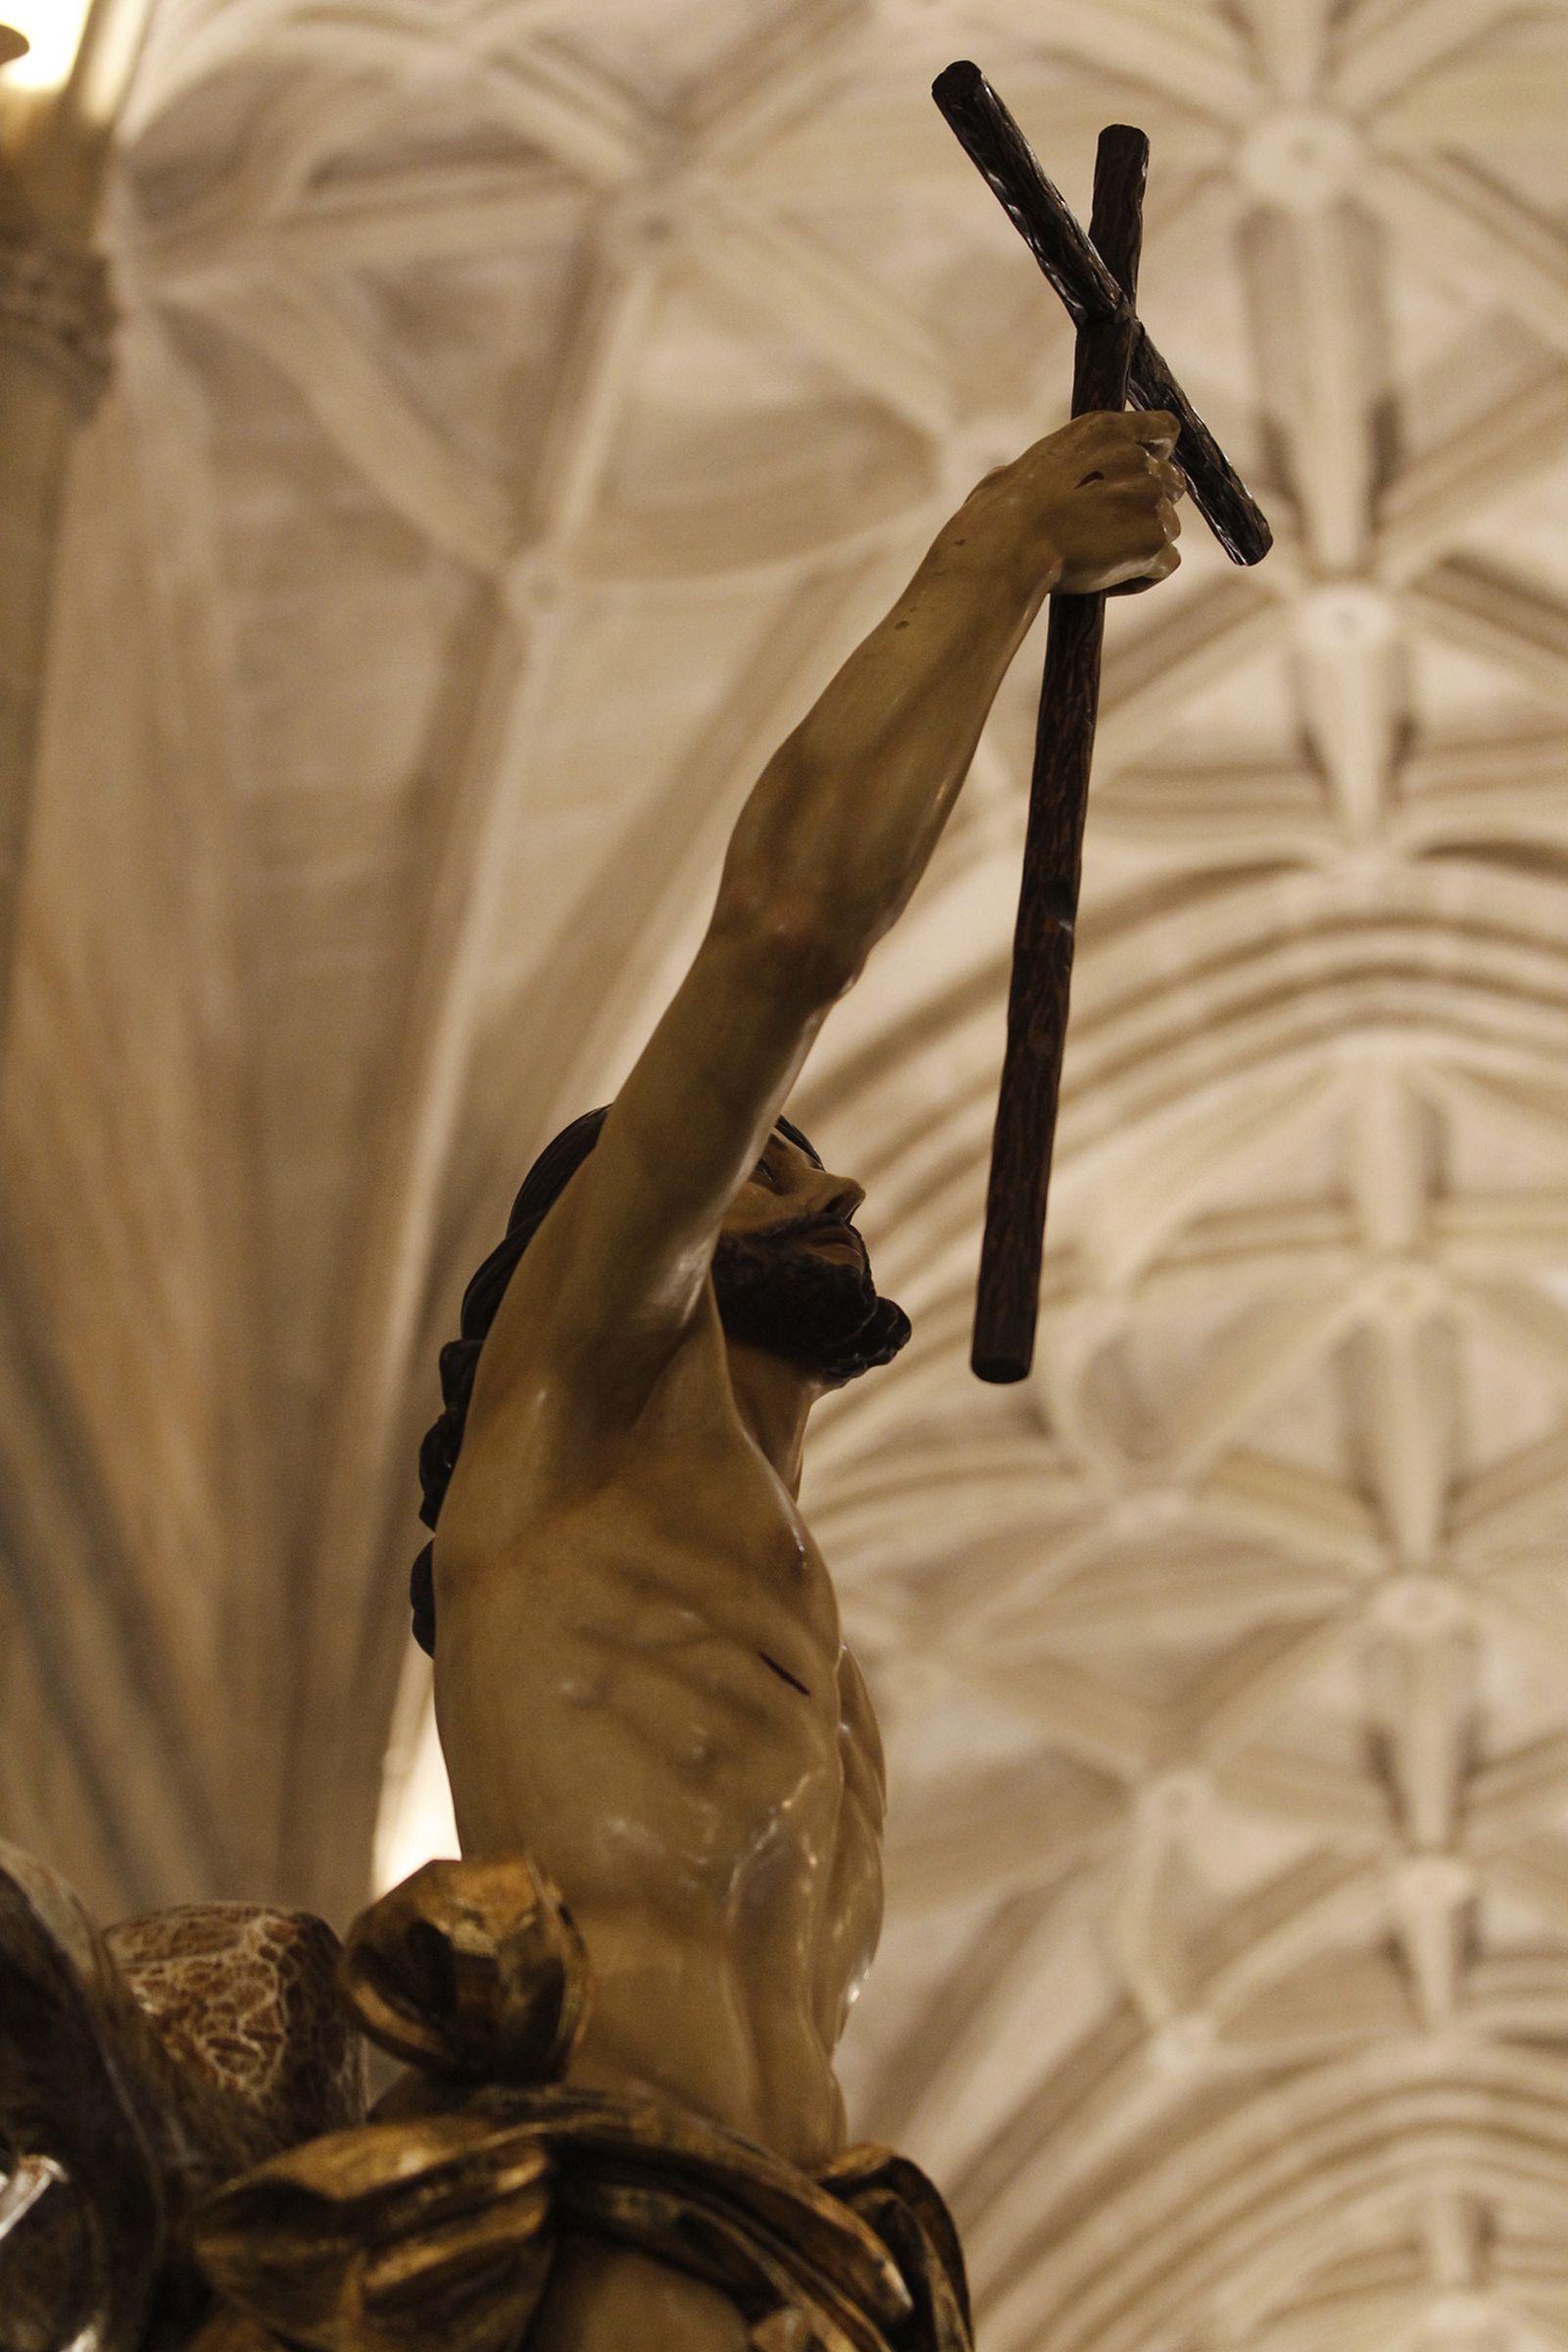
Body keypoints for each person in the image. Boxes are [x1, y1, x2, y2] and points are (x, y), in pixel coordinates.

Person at [417, 407, 1186, 2352]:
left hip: (819, 2275)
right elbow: (777, 936)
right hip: (619, 2229)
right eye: (761, 1153)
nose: (821, 1171)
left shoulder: (827, 1658)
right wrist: (999, 547)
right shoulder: (566, 1421)